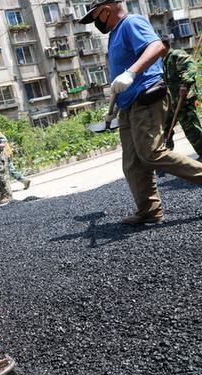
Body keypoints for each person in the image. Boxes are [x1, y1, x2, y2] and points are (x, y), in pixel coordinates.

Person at [79, 0, 202, 224]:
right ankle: (149, 210)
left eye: (95, 17)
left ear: (106, 11)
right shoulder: (115, 34)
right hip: (128, 105)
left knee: (152, 153)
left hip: (146, 98)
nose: (95, 23)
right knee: (133, 163)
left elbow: (155, 47)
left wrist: (131, 73)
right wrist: (115, 106)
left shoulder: (131, 23)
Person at [160, 34, 202, 159]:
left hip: (184, 100)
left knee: (192, 129)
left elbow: (191, 67)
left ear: (163, 45)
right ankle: (166, 155)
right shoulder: (165, 61)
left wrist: (185, 83)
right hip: (174, 101)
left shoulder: (176, 55)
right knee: (165, 127)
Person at [0, 119, 31, 190]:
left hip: (5, 153)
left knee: (10, 169)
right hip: (2, 153)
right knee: (7, 170)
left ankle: (24, 181)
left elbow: (4, 140)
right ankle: (22, 181)